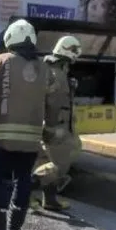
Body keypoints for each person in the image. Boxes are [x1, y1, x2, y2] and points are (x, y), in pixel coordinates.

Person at [0, 19, 59, 230]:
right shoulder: (45, 68)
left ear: (9, 39)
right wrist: (49, 130)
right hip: (31, 141)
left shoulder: (1, 61)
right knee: (22, 184)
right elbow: (54, 103)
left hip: (1, 139)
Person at [29, 35, 83, 213]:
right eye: (75, 52)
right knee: (56, 167)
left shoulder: (54, 70)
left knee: (49, 163)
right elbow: (52, 103)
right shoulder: (57, 74)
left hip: (54, 127)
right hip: (56, 129)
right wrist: (51, 129)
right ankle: (26, 189)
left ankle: (50, 200)